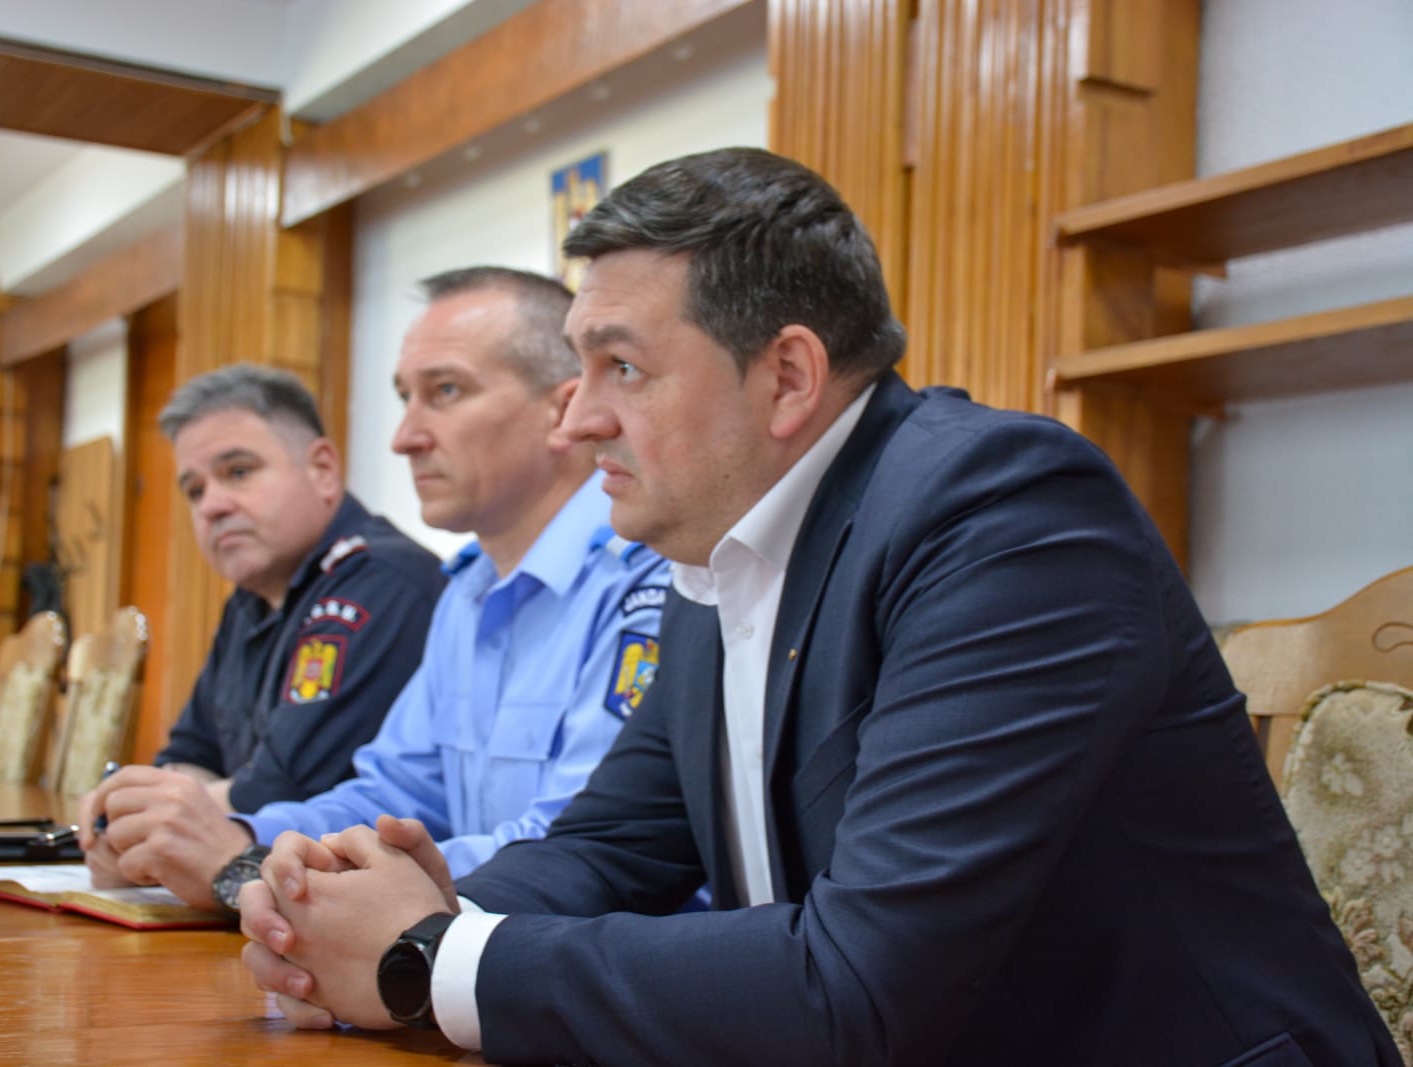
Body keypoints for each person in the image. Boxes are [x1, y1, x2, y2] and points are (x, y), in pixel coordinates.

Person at [237, 148, 1398, 1066]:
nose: (578, 419)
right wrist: (378, 917)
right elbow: (609, 845)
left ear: (787, 376)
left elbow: (861, 979)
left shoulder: (1005, 517)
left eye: (621, 367)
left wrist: (432, 959)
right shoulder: (720, 556)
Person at [80, 267, 668, 913]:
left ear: (562, 410)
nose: (403, 438)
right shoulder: (467, 592)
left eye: (445, 391)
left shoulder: (648, 578)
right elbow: (394, 796)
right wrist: (241, 839)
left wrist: (250, 866)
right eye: (405, 397)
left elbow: (578, 855)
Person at [78, 363, 443, 825]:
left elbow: (281, 789)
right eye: (195, 490)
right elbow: (190, 754)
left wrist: (156, 812)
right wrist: (158, 808)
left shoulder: (381, 582)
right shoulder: (250, 600)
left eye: (239, 472)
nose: (212, 505)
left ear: (322, 470)